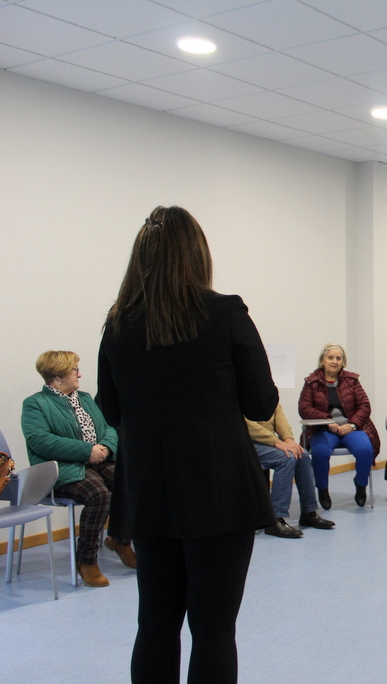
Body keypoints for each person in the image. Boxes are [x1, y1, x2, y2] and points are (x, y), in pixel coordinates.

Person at [98, 206, 279, 683]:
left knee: (155, 625)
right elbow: (261, 403)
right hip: (217, 493)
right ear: (198, 254)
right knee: (214, 629)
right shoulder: (224, 312)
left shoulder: (117, 324)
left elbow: (111, 410)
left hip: (149, 492)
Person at [21, 351, 134, 588]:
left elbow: (108, 427)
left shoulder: (84, 398)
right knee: (99, 495)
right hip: (62, 469)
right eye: (74, 370)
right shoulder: (35, 404)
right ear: (58, 376)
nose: (79, 374)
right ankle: (86, 560)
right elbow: (40, 440)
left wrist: (105, 447)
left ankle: (120, 540)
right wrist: (86, 451)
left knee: (132, 483)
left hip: (99, 461)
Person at [298, 344, 380, 509]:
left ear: (343, 362)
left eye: (338, 358)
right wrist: (327, 420)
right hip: (323, 430)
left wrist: (352, 425)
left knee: (365, 449)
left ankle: (361, 484)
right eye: (330, 357)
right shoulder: (311, 382)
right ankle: (322, 489)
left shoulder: (351, 380)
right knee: (320, 452)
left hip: (351, 429)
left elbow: (364, 406)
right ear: (322, 361)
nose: (334, 361)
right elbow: (304, 408)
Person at [246, 404, 335, 538]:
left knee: (302, 455)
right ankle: (275, 520)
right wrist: (276, 442)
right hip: (247, 442)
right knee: (285, 458)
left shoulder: (269, 398)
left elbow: (280, 420)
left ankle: (309, 512)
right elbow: (248, 425)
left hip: (270, 441)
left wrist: (289, 440)